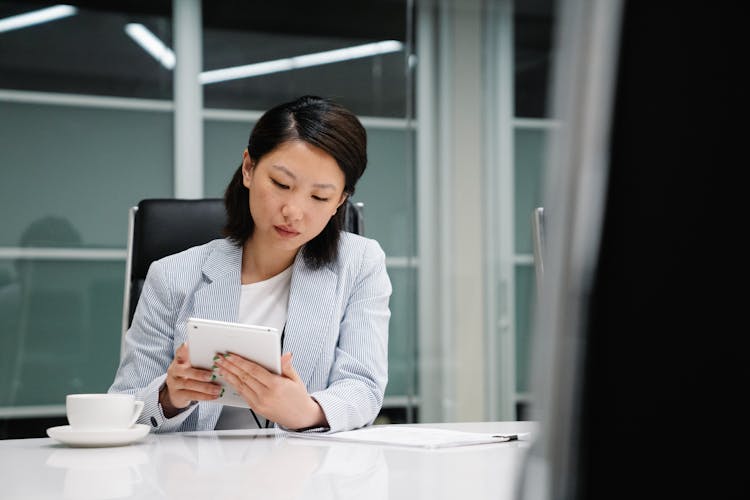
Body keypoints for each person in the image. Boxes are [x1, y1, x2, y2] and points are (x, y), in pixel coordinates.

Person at [109, 95, 392, 433]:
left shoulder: (360, 264)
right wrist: (169, 397)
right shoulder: (172, 275)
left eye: (319, 197)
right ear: (248, 169)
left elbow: (364, 387)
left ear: (340, 201)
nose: (294, 211)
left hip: (305, 473)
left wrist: (308, 412)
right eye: (281, 184)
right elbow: (124, 406)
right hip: (192, 476)